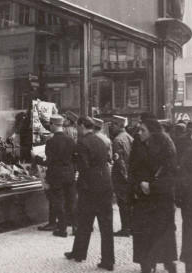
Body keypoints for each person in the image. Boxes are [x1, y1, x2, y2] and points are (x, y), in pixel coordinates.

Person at [65, 116, 114, 271]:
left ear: (81, 126)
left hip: (90, 188)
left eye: (78, 127)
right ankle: (108, 261)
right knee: (106, 225)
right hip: (105, 185)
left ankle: (79, 253)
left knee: (84, 221)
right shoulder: (102, 140)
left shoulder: (82, 142)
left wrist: (79, 185)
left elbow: (84, 167)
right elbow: (107, 159)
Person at [129, 118, 178, 273]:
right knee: (143, 236)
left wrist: (153, 186)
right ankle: (146, 266)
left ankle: (169, 265)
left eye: (143, 130)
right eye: (139, 130)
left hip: (161, 200)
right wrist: (139, 184)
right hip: (143, 200)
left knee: (163, 237)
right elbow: (132, 170)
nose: (139, 133)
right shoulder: (138, 146)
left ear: (153, 131)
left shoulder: (166, 146)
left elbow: (171, 174)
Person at [34, 114, 77, 237]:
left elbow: (49, 162)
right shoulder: (71, 140)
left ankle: (62, 229)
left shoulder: (51, 142)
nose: (49, 128)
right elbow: (75, 159)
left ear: (53, 125)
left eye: (50, 126)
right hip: (69, 175)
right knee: (71, 202)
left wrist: (36, 158)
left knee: (58, 202)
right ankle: (75, 227)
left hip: (56, 176)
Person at [176, 142, 192, 273]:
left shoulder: (190, 151)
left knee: (190, 236)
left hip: (191, 203)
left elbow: (181, 178)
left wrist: (179, 200)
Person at [110, 115, 134, 237]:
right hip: (130, 174)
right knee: (129, 202)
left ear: (120, 126)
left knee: (123, 202)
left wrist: (124, 176)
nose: (111, 127)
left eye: (113, 125)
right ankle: (130, 226)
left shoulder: (117, 140)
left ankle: (125, 228)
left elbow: (119, 162)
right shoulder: (130, 137)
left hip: (121, 177)